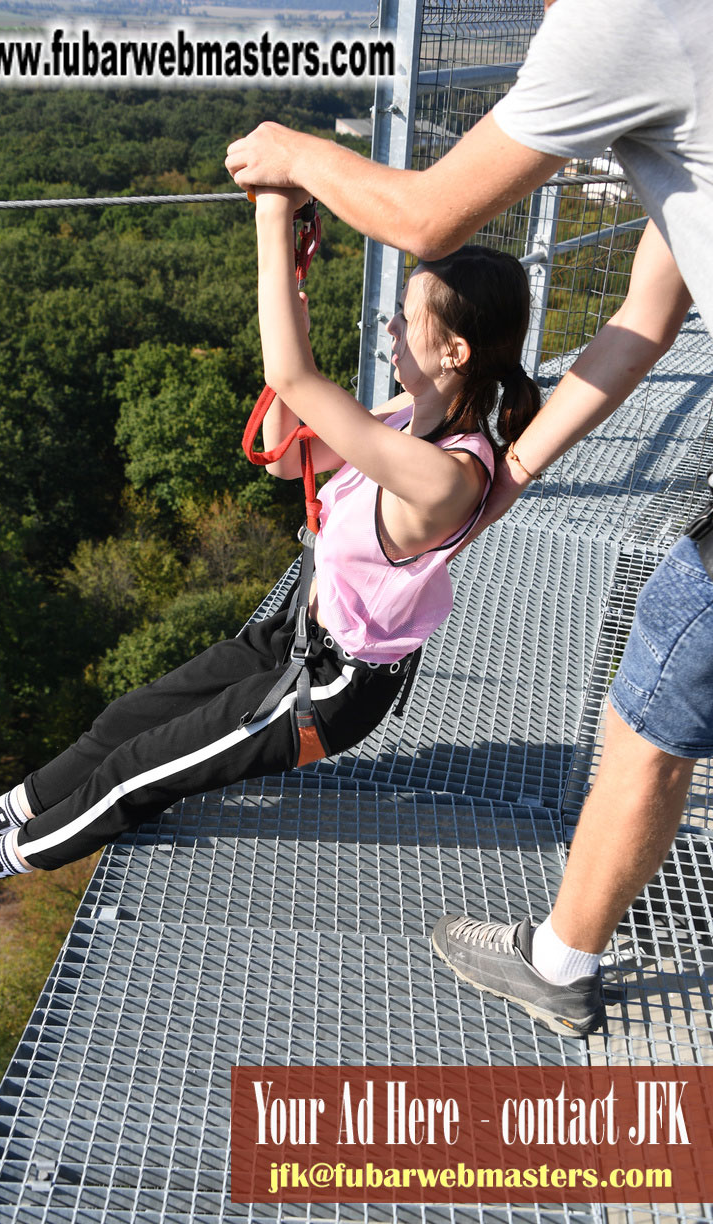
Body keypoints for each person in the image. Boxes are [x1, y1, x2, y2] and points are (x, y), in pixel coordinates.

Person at [226, 0, 713, 1037]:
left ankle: (562, 963)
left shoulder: (624, 16)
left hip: (336, 681)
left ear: (453, 352)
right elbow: (643, 320)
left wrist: (289, 166)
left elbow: (423, 221)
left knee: (655, 707)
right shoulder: (476, 460)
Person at [0, 196, 544, 954]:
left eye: (405, 318)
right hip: (292, 639)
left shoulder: (448, 477)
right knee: (124, 721)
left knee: (137, 772)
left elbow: (295, 378)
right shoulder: (410, 415)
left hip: (328, 688)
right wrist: (292, 336)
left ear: (456, 351)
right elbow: (290, 454)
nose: (389, 329)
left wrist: (275, 218)